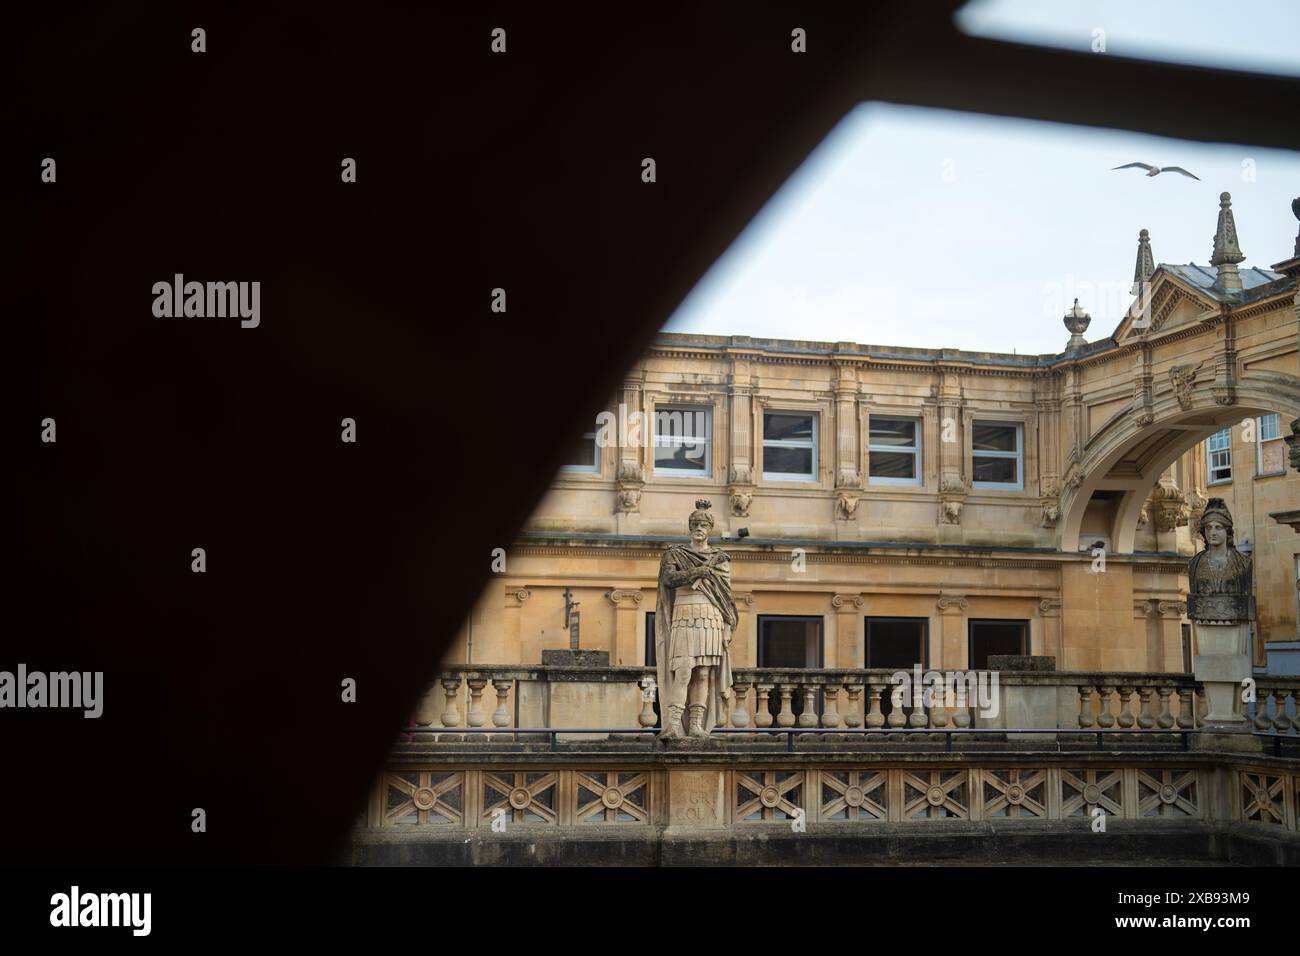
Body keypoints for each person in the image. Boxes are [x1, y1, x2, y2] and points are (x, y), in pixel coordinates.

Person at [654, 499, 736, 739]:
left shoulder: (720, 559)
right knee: (683, 670)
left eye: (703, 525)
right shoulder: (675, 554)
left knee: (703, 673)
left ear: (709, 529)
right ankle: (673, 724)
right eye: (696, 524)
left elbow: (725, 596)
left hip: (711, 617)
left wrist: (727, 626)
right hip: (684, 614)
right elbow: (668, 580)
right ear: (690, 527)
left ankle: (697, 725)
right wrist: (695, 572)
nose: (699, 528)